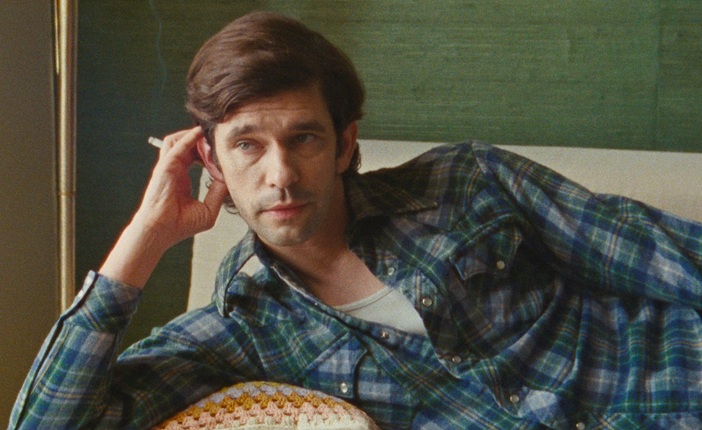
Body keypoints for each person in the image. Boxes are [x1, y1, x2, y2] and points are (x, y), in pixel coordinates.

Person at [9, 11, 702, 430]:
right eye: (247, 145)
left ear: (344, 144)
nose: (280, 174)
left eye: (304, 138)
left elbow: (666, 256)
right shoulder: (243, 328)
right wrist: (145, 235)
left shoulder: (466, 180)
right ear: (209, 161)